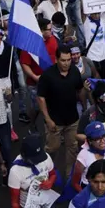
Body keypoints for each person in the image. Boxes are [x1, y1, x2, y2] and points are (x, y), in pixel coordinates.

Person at [37, 45, 85, 174]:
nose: (66, 63)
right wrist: (48, 119)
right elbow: (41, 98)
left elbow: (80, 90)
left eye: (69, 60)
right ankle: (47, 172)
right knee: (52, 148)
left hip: (72, 120)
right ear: (56, 60)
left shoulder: (75, 71)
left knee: (73, 149)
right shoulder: (47, 76)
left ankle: (70, 178)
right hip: (54, 121)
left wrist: (84, 107)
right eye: (63, 60)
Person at [7, 135, 56, 208]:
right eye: (35, 159)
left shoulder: (45, 157)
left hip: (47, 201)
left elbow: (53, 174)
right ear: (24, 156)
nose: (38, 161)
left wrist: (50, 182)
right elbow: (15, 202)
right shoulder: (15, 171)